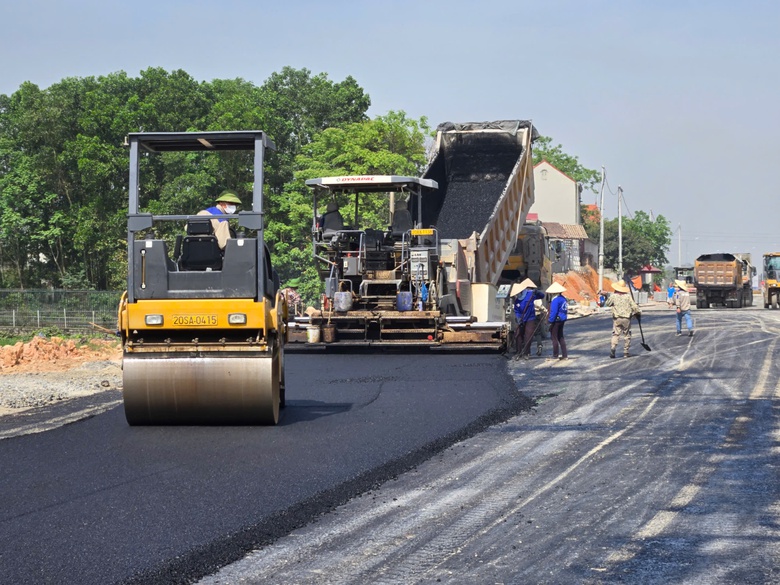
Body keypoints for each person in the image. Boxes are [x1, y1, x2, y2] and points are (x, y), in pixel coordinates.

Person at [604, 280, 641, 358]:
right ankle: (626, 352)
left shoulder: (614, 296)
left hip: (617, 318)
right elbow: (634, 306)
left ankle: (613, 348)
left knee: (616, 334)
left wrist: (606, 296)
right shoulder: (628, 296)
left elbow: (608, 303)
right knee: (627, 335)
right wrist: (638, 312)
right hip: (626, 319)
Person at [512, 278, 545, 360]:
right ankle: (519, 352)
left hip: (530, 318)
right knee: (518, 335)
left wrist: (537, 292)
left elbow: (542, 296)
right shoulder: (517, 301)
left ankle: (526, 353)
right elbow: (516, 310)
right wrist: (518, 318)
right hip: (522, 319)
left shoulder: (530, 294)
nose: (516, 295)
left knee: (528, 336)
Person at [546, 281, 568, 360]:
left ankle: (555, 355)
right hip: (562, 319)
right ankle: (565, 355)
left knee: (554, 337)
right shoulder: (563, 299)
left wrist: (550, 321)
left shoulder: (555, 300)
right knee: (560, 337)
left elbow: (553, 312)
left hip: (556, 320)